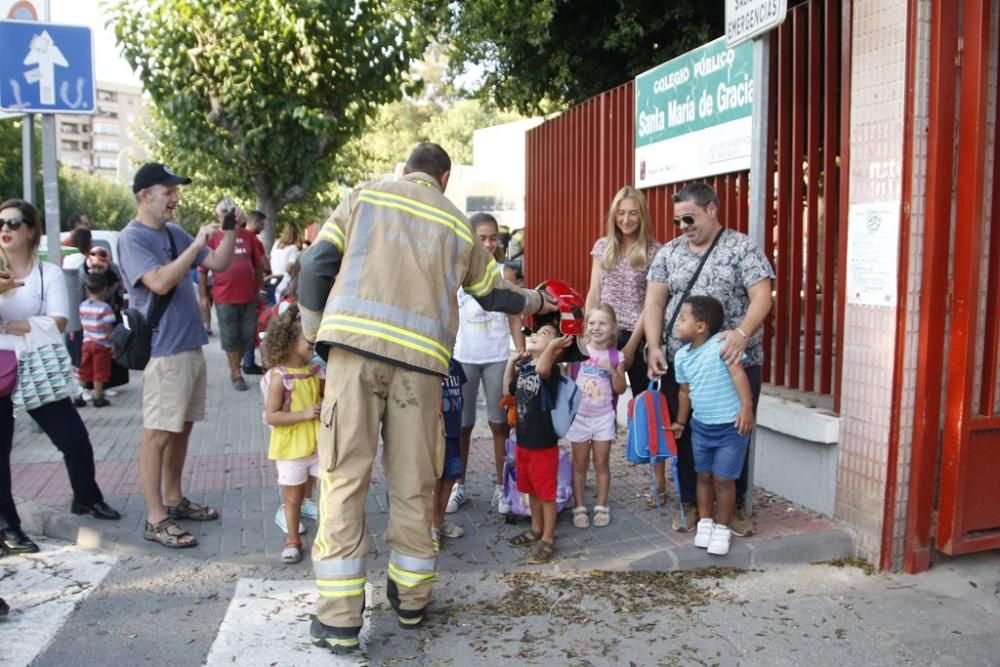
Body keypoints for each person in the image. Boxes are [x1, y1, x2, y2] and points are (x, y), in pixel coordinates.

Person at [299, 143, 555, 655]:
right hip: (422, 370)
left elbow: (314, 267)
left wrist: (315, 335)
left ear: (405, 169)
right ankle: (412, 600)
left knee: (343, 478)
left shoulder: (363, 197)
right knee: (415, 481)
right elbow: (494, 295)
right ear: (445, 176)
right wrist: (538, 301)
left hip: (353, 356)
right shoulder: (458, 224)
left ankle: (340, 620)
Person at [117, 162, 236, 549]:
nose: (174, 198)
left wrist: (229, 229)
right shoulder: (132, 238)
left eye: (174, 191)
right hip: (164, 352)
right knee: (157, 434)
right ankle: (156, 518)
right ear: (144, 195)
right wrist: (197, 244)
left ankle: (174, 499)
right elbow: (160, 281)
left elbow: (219, 263)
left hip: (190, 347)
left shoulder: (173, 232)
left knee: (181, 428)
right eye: (167, 191)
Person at [645, 182, 774, 535]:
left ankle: (735, 508)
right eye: (677, 221)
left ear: (712, 209)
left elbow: (762, 296)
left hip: (735, 365)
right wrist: (654, 345)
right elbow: (655, 302)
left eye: (689, 217)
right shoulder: (669, 253)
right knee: (685, 433)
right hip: (684, 365)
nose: (683, 226)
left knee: (738, 430)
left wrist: (741, 333)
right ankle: (690, 503)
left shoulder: (742, 247)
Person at [0, 199, 120, 558]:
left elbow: (59, 323)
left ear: (32, 230)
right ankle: (9, 528)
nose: (5, 229)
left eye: (15, 222)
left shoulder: (46, 273)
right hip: (0, 368)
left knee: (74, 439)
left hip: (36, 368)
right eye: (1, 222)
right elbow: (45, 323)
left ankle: (86, 498)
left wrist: (7, 325)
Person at [448, 212, 524, 516]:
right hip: (463, 356)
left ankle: (502, 486)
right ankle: (458, 485)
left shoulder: (506, 273)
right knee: (461, 426)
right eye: (482, 238)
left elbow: (515, 314)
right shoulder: (457, 271)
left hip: (496, 356)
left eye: (494, 238)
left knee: (499, 424)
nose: (489, 244)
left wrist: (519, 349)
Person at [667, 296, 754, 556]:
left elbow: (739, 374)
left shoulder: (722, 344)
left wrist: (747, 408)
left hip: (730, 427)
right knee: (703, 476)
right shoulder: (681, 356)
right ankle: (705, 523)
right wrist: (681, 422)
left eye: (683, 318)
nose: (677, 323)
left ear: (701, 326)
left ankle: (723, 528)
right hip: (701, 428)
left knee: (724, 481)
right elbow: (684, 392)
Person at [502, 320, 574, 564]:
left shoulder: (551, 370)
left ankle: (548, 537)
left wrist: (552, 346)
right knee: (530, 488)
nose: (534, 335)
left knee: (546, 494)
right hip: (523, 441)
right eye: (536, 332)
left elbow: (543, 370)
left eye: (544, 334)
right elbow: (507, 392)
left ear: (555, 349)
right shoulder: (524, 369)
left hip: (543, 444)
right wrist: (511, 363)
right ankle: (535, 528)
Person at [586, 186, 662, 395]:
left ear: (642, 216)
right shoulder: (603, 246)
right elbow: (594, 292)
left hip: (637, 335)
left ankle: (637, 430)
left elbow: (652, 302)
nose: (626, 219)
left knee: (643, 399)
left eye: (633, 213)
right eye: (621, 213)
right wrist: (587, 331)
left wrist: (631, 346)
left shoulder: (655, 251)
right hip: (603, 332)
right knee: (598, 395)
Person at [261, 304, 322, 565]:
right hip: (291, 447)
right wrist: (304, 414)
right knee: (293, 496)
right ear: (288, 343)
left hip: (317, 444)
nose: (312, 346)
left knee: (324, 491)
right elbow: (272, 415)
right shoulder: (279, 377)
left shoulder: (315, 371)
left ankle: (326, 538)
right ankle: (292, 538)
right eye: (307, 341)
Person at [567, 304, 626, 529]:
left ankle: (602, 505)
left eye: (602, 323)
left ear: (612, 328)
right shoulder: (578, 350)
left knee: (602, 463)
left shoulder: (615, 355)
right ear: (586, 327)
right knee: (579, 464)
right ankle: (579, 506)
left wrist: (612, 370)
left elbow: (620, 388)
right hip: (579, 417)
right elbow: (566, 379)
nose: (596, 328)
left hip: (603, 417)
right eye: (592, 323)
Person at [198, 198, 267, 390]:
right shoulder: (213, 237)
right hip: (224, 297)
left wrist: (260, 288)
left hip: (249, 296)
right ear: (218, 215)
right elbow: (203, 271)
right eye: (225, 212)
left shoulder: (248, 237)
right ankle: (236, 373)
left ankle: (237, 366)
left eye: (233, 212)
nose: (230, 216)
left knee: (246, 336)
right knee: (230, 337)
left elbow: (258, 265)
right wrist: (204, 296)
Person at [433, 359, 467, 547]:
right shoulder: (430, 364)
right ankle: (430, 526)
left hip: (454, 431)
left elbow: (460, 395)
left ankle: (440, 520)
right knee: (435, 479)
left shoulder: (456, 367)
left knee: (449, 478)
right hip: (435, 432)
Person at [74, 273, 116, 408]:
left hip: (86, 343)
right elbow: (108, 328)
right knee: (100, 371)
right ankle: (98, 397)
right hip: (101, 344)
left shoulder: (82, 306)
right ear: (104, 289)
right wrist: (113, 343)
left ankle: (78, 396)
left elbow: (81, 324)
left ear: (86, 288)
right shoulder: (105, 308)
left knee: (84, 370)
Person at [241, 210, 270, 372]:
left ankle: (244, 361)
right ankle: (249, 362)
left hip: (238, 290)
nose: (263, 227)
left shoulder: (238, 237)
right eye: (262, 224)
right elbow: (264, 266)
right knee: (255, 327)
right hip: (253, 288)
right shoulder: (253, 240)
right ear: (256, 222)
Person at [268, 222, 300, 301]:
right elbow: (290, 269)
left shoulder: (276, 244)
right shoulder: (293, 248)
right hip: (284, 284)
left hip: (272, 281)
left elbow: (270, 260)